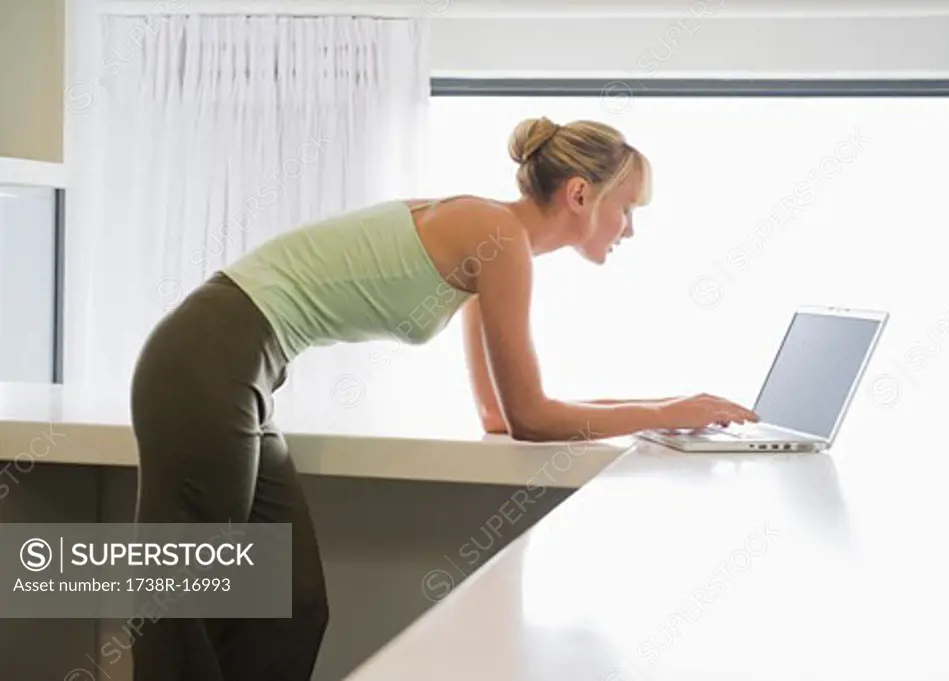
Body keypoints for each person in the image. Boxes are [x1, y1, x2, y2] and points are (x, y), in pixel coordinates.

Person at [128, 116, 759, 681]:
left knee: (292, 604)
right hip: (208, 357)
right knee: (183, 593)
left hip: (244, 369)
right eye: (628, 209)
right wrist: (668, 414)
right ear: (579, 195)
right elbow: (532, 418)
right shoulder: (499, 236)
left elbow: (500, 412)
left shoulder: (494, 240)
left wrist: (671, 404)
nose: (630, 229)